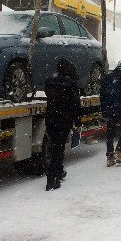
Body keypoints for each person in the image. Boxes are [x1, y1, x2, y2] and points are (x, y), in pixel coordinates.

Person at [44, 59, 82, 191]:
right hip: (64, 119)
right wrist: (77, 122)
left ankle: (58, 172)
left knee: (55, 146)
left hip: (50, 119)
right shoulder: (71, 84)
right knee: (58, 150)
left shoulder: (50, 82)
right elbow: (75, 105)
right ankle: (51, 180)